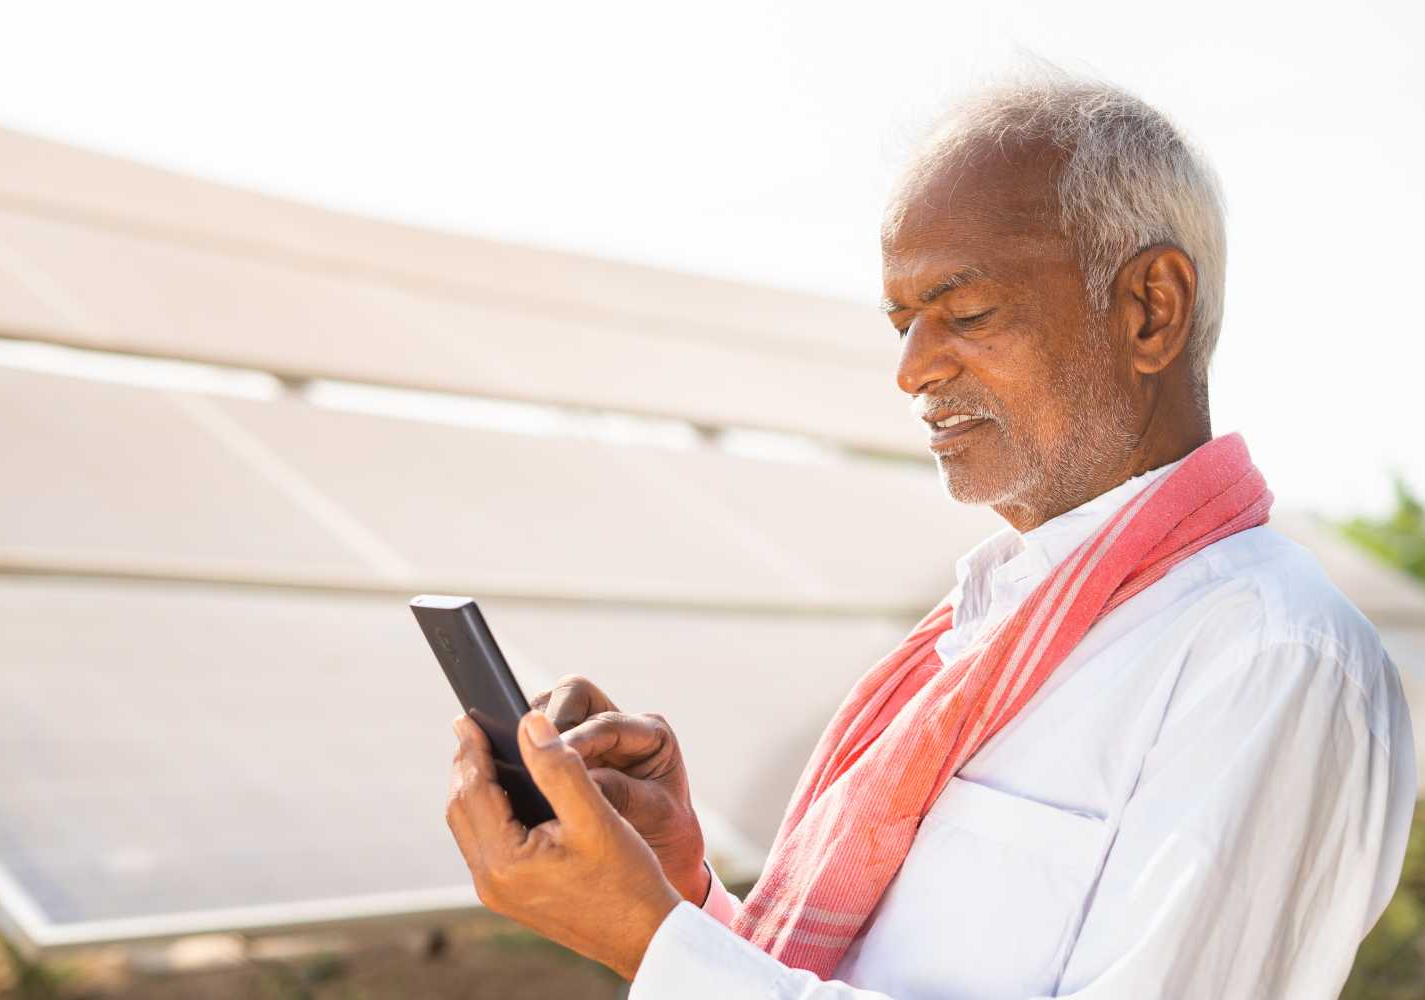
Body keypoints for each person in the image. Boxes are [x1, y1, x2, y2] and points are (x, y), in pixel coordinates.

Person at [443, 71, 1417, 999]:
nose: (909, 370)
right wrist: (680, 895)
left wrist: (650, 942)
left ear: (1150, 308)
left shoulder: (1269, 655)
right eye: (902, 321)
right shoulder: (995, 631)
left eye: (966, 310)